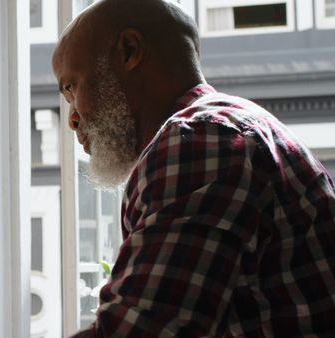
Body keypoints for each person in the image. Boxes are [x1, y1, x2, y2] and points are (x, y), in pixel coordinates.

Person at [52, 0, 335, 336]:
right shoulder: (229, 127)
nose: (71, 118)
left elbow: (140, 330)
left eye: (72, 88)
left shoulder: (199, 139)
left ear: (129, 51)